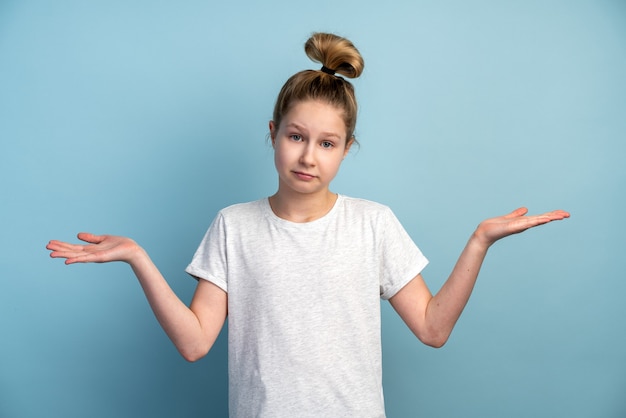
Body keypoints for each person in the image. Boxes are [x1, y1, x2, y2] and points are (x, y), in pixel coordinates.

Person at [46, 32, 569, 417]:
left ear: (346, 149)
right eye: (296, 136)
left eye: (327, 143)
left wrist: (479, 241)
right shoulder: (233, 227)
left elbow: (433, 329)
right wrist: (139, 258)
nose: (308, 157)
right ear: (273, 134)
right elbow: (195, 343)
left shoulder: (373, 224)